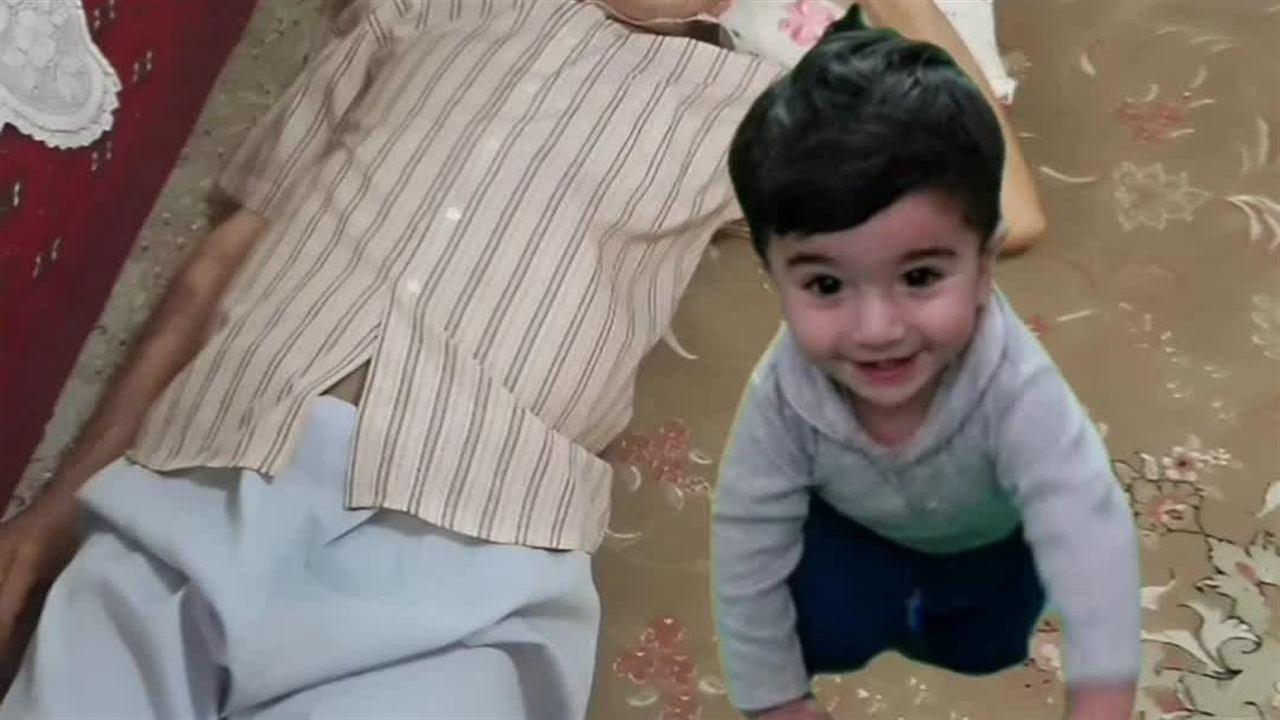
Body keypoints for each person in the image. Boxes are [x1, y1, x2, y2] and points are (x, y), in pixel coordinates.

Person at [0, 1, 1044, 718]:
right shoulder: (420, 12)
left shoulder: (761, 112)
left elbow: (1003, 207)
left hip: (465, 566)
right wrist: (59, 507)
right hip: (194, 484)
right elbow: (218, 263)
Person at [710, 15, 1139, 720]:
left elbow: (1089, 532)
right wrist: (777, 700)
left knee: (982, 644)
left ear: (985, 264)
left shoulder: (1017, 389)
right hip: (848, 531)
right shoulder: (784, 393)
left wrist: (1100, 699)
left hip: (985, 543)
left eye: (919, 276)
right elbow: (747, 540)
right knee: (825, 628)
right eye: (825, 284)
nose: (877, 330)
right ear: (772, 277)